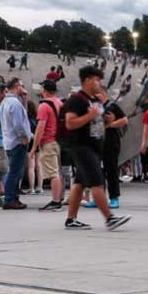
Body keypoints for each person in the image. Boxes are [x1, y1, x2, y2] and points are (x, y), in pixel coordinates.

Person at [61, 66, 131, 230]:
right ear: (87, 80)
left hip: (94, 146)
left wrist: (107, 120)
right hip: (81, 146)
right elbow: (70, 123)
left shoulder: (95, 101)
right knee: (97, 183)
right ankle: (109, 218)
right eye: (97, 79)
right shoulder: (76, 100)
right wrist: (90, 115)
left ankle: (71, 219)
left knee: (79, 183)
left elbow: (97, 123)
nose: (99, 83)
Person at [1, 77, 32, 210]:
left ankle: (13, 197)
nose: (23, 88)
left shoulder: (7, 101)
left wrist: (24, 100)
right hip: (17, 141)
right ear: (16, 86)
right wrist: (24, 136)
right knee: (15, 172)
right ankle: (9, 198)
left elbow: (21, 116)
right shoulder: (14, 103)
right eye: (22, 85)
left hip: (10, 141)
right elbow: (18, 123)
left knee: (16, 171)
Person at [34, 79, 65, 212]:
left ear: (44, 90)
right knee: (58, 171)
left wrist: (34, 147)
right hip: (58, 141)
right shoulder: (59, 103)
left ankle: (56, 201)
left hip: (48, 141)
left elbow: (40, 128)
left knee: (53, 174)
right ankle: (60, 198)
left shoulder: (44, 106)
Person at [101, 89, 128, 208]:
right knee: (98, 171)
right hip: (97, 142)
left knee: (111, 170)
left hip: (111, 142)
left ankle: (114, 197)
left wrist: (110, 125)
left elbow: (124, 120)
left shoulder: (112, 106)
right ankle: (99, 198)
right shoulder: (94, 107)